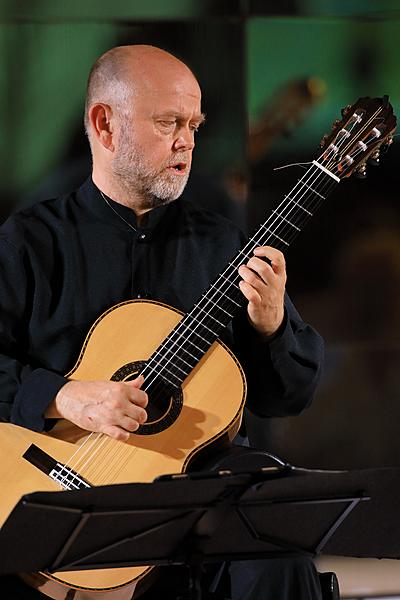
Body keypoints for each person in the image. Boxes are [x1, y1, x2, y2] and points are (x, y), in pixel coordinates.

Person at [0, 45, 324, 599]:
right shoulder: (30, 242)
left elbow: (288, 395)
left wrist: (272, 327)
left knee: (278, 557)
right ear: (105, 125)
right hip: (54, 490)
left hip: (191, 498)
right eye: (169, 122)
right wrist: (63, 398)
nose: (187, 142)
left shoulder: (225, 246)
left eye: (194, 125)